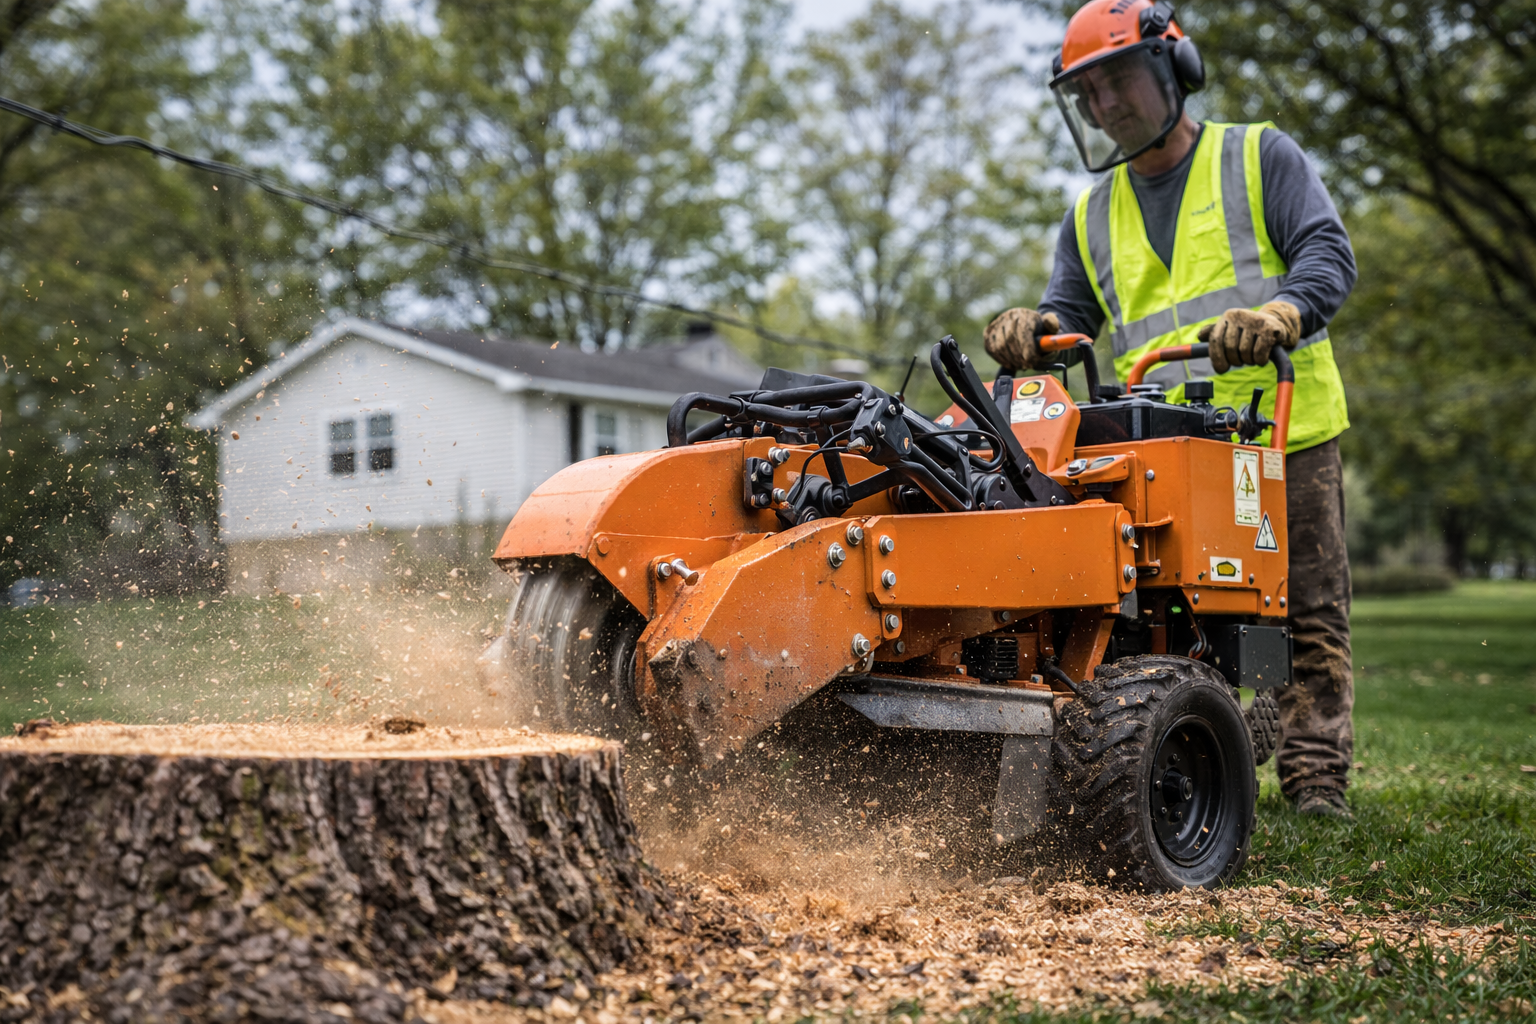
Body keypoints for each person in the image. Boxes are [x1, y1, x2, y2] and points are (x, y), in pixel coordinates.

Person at [985, 0, 1356, 819]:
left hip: (1282, 426)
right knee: (1164, 611)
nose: (1105, 103)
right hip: (1164, 447)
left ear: (1174, 70)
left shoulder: (1258, 156)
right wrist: (1034, 331)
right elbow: (1071, 314)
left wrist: (1282, 313)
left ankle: (1317, 779)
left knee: (1308, 609)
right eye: (1088, 93)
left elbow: (1327, 252)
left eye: (1118, 80)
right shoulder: (1091, 213)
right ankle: (1196, 742)